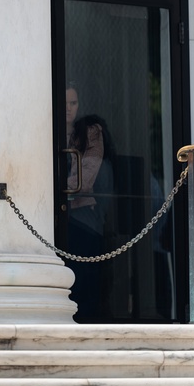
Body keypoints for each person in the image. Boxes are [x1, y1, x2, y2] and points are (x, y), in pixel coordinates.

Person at [66, 106, 116, 320]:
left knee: (83, 283)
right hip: (92, 227)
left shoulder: (96, 163)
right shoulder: (107, 165)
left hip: (83, 226)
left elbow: (81, 185)